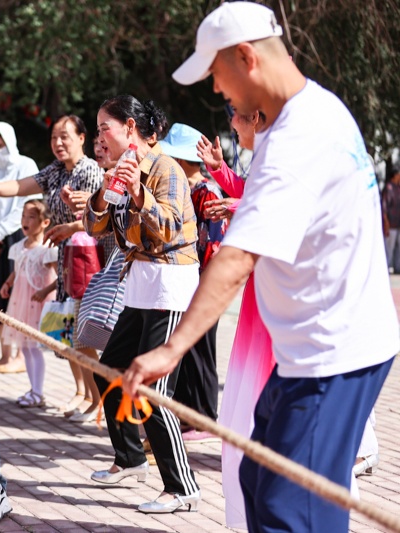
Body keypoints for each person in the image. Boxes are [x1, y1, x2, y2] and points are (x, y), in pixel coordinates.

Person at [127, 3, 399, 532]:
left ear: (245, 57)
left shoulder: (298, 140)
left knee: (286, 509)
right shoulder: (315, 110)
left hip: (333, 354)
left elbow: (236, 258)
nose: (216, 91)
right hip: (311, 347)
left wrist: (169, 349)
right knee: (259, 479)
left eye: (216, 74)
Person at [85, 95, 201, 513]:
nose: (100, 137)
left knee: (154, 391)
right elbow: (97, 226)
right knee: (108, 370)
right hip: (138, 284)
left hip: (169, 283)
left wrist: (138, 193)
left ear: (130, 128)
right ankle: (130, 459)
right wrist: (104, 191)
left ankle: (182, 487)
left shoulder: (165, 167)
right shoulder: (116, 169)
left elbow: (170, 227)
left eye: (104, 128)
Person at [0, 115, 104, 418]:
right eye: (54, 137)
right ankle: (84, 395)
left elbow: (99, 220)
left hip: (86, 260)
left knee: (83, 335)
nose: (58, 143)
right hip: (66, 258)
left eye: (65, 136)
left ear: (82, 138)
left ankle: (98, 401)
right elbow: (20, 185)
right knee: (69, 335)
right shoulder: (55, 170)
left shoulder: (90, 170)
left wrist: (72, 227)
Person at [197, 109, 276, 530]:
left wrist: (239, 206)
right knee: (241, 418)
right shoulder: (262, 151)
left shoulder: (286, 146)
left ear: (257, 116)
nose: (231, 126)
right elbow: (255, 193)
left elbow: (290, 208)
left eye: (236, 117)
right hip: (259, 299)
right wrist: (223, 173)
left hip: (281, 306)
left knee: (267, 416)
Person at [159, 123, 223, 437]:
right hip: (185, 278)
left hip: (204, 281)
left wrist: (206, 284)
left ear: (183, 162)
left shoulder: (206, 192)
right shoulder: (186, 190)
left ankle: (204, 416)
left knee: (202, 349)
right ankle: (187, 412)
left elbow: (214, 243)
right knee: (186, 347)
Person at [0, 121, 39, 374]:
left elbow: (25, 204)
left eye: (0, 145)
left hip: (17, 234)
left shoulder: (26, 165)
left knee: (16, 294)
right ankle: (5, 355)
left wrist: (1, 232)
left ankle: (18, 355)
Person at [0, 199, 57, 407]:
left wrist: (46, 291)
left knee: (33, 346)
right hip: (20, 301)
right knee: (24, 346)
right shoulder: (18, 248)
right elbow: (17, 270)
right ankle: (33, 390)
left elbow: (60, 278)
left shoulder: (47, 250)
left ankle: (38, 391)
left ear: (44, 223)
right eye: (24, 216)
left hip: (37, 303)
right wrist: (8, 283)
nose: (25, 221)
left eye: (31, 217)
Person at [382, 170, 400, 272]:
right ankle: (387, 267)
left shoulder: (398, 188)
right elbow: (384, 207)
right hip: (391, 223)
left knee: (398, 248)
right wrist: (386, 222)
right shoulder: (389, 188)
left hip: (398, 223)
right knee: (390, 247)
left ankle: (398, 267)